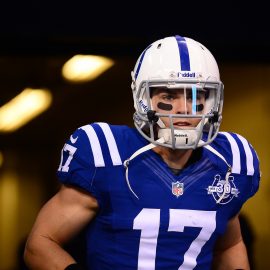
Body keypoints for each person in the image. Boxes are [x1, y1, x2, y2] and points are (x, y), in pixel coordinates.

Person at [24, 35, 261, 270]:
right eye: (169, 96)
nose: (183, 109)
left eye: (196, 96)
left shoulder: (230, 161)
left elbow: (229, 245)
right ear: (143, 99)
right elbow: (41, 244)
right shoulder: (107, 155)